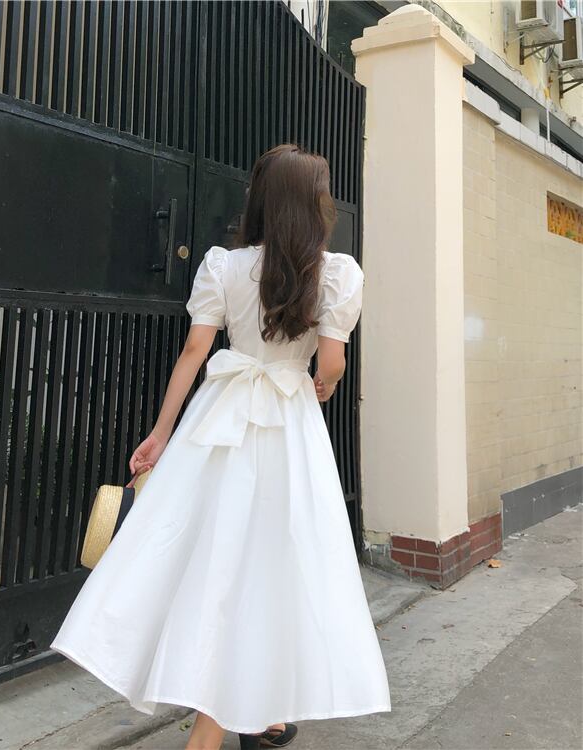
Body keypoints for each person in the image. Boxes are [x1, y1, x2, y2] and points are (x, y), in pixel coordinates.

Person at [51, 144, 391, 750]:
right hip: (287, 423)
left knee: (213, 556)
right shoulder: (336, 273)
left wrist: (160, 433)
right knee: (276, 561)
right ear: (313, 205)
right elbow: (332, 361)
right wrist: (323, 384)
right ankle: (215, 730)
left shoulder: (224, 266)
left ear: (261, 200)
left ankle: (258, 713)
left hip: (219, 420)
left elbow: (194, 351)